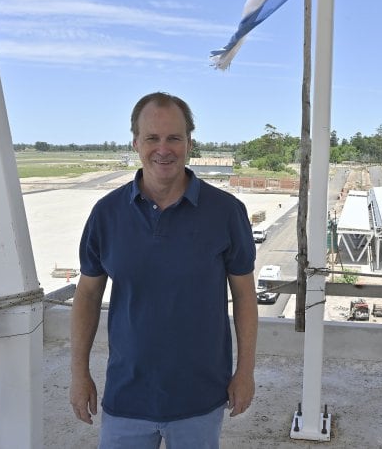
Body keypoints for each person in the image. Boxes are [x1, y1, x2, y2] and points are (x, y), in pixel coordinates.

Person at [70, 92, 258, 448]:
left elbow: (245, 296)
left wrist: (245, 371)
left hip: (200, 399)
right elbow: (87, 295)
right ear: (136, 143)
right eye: (152, 138)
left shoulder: (226, 212)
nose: (163, 149)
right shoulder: (106, 214)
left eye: (174, 137)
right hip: (126, 397)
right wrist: (79, 373)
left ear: (189, 143)